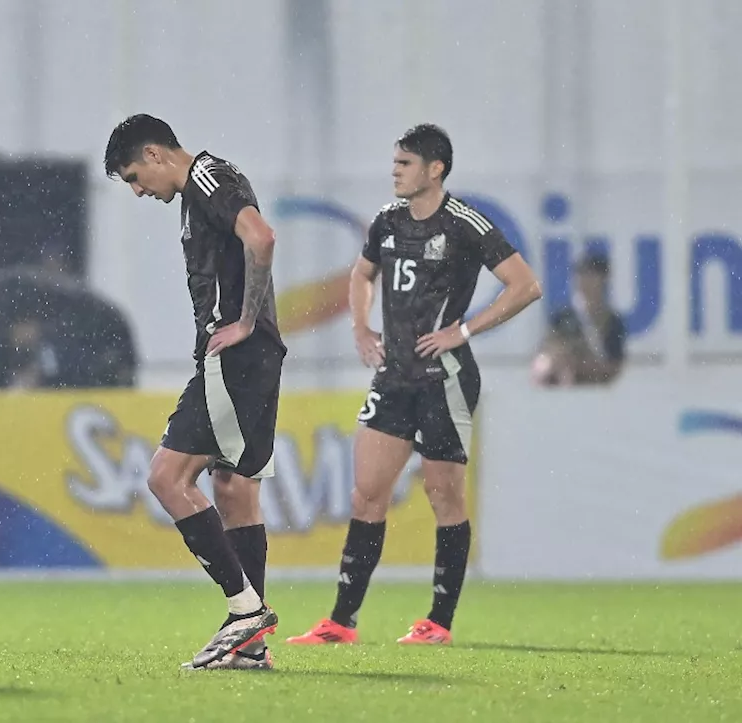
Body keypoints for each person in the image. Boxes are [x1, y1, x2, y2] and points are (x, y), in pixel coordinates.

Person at [286, 124, 541, 646]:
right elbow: (361, 275)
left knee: (443, 495)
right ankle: (341, 622)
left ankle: (438, 623)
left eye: (404, 164)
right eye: (395, 163)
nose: (395, 171)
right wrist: (360, 328)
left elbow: (526, 285)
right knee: (366, 495)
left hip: (443, 378)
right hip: (394, 377)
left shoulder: (465, 223)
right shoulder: (386, 221)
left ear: (435, 169)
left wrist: (463, 330)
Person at [104, 114, 285, 670]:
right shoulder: (205, 186)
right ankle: (250, 647)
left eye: (136, 176)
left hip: (235, 358)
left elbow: (262, 236)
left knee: (165, 476)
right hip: (249, 361)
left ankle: (244, 611)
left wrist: (247, 321)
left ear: (156, 154)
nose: (138, 191)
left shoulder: (206, 178)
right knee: (233, 489)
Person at [530, 251, 626, 386]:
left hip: (595, 389)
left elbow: (615, 366)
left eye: (591, 275)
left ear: (603, 279)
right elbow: (544, 356)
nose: (585, 281)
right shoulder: (563, 318)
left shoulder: (612, 321)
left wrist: (581, 364)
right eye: (581, 275)